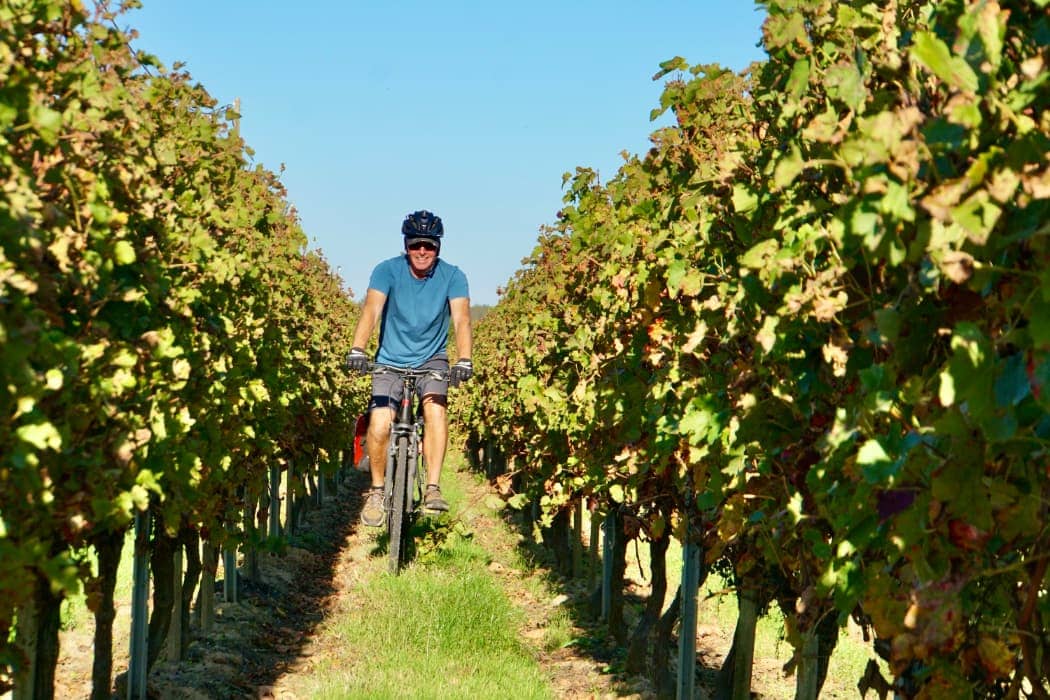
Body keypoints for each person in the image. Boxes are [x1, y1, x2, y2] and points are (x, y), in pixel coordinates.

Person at [346, 210, 473, 527]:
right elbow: (372, 309)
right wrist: (358, 349)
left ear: (438, 248)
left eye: (429, 246)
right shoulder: (386, 271)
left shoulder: (453, 276)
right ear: (406, 245)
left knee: (435, 411)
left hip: (433, 359)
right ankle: (376, 491)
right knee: (379, 423)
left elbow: (461, 320)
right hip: (389, 360)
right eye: (416, 244)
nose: (422, 251)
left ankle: (432, 487)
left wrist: (464, 359)